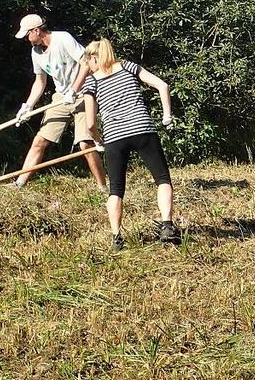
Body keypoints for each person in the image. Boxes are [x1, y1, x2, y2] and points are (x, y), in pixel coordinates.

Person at [80, 39, 180, 249]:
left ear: (94, 57)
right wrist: (167, 116)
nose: (88, 68)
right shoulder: (128, 66)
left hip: (115, 137)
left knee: (115, 190)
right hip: (143, 129)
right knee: (162, 179)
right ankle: (167, 225)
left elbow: (89, 123)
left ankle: (117, 238)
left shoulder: (92, 83)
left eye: (88, 62)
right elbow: (163, 85)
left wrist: (98, 141)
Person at [10, 14, 107, 190]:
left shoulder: (63, 39)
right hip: (61, 97)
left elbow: (86, 63)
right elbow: (40, 81)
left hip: (84, 93)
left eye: (27, 35)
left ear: (37, 30)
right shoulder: (36, 52)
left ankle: (103, 188)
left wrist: (74, 89)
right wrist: (28, 106)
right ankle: (19, 184)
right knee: (39, 141)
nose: (26, 39)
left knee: (85, 143)